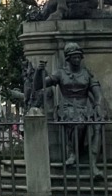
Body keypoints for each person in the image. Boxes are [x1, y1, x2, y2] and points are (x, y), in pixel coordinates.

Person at [44, 42, 103, 175]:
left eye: (78, 57)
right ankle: (73, 152)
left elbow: (98, 94)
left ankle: (93, 164)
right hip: (66, 107)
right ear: (68, 58)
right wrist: (39, 71)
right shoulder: (60, 73)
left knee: (97, 126)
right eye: (73, 57)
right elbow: (40, 84)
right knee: (78, 122)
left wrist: (98, 105)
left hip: (85, 107)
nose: (77, 59)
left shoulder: (87, 74)